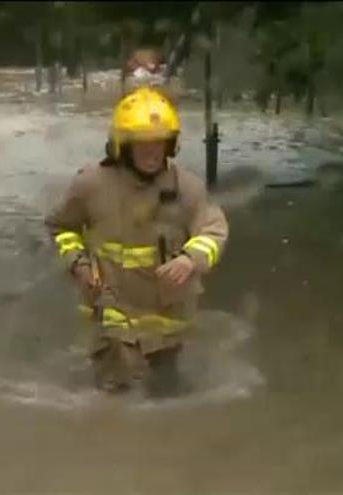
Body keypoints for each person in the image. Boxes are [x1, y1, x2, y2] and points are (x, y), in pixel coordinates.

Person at [45, 87, 229, 397]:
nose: (151, 151)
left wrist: (190, 259)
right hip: (112, 310)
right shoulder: (91, 184)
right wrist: (78, 263)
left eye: (158, 142)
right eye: (142, 143)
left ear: (170, 144)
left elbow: (215, 229)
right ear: (122, 145)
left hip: (167, 315)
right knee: (118, 394)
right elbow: (60, 227)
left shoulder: (187, 187)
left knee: (164, 394)